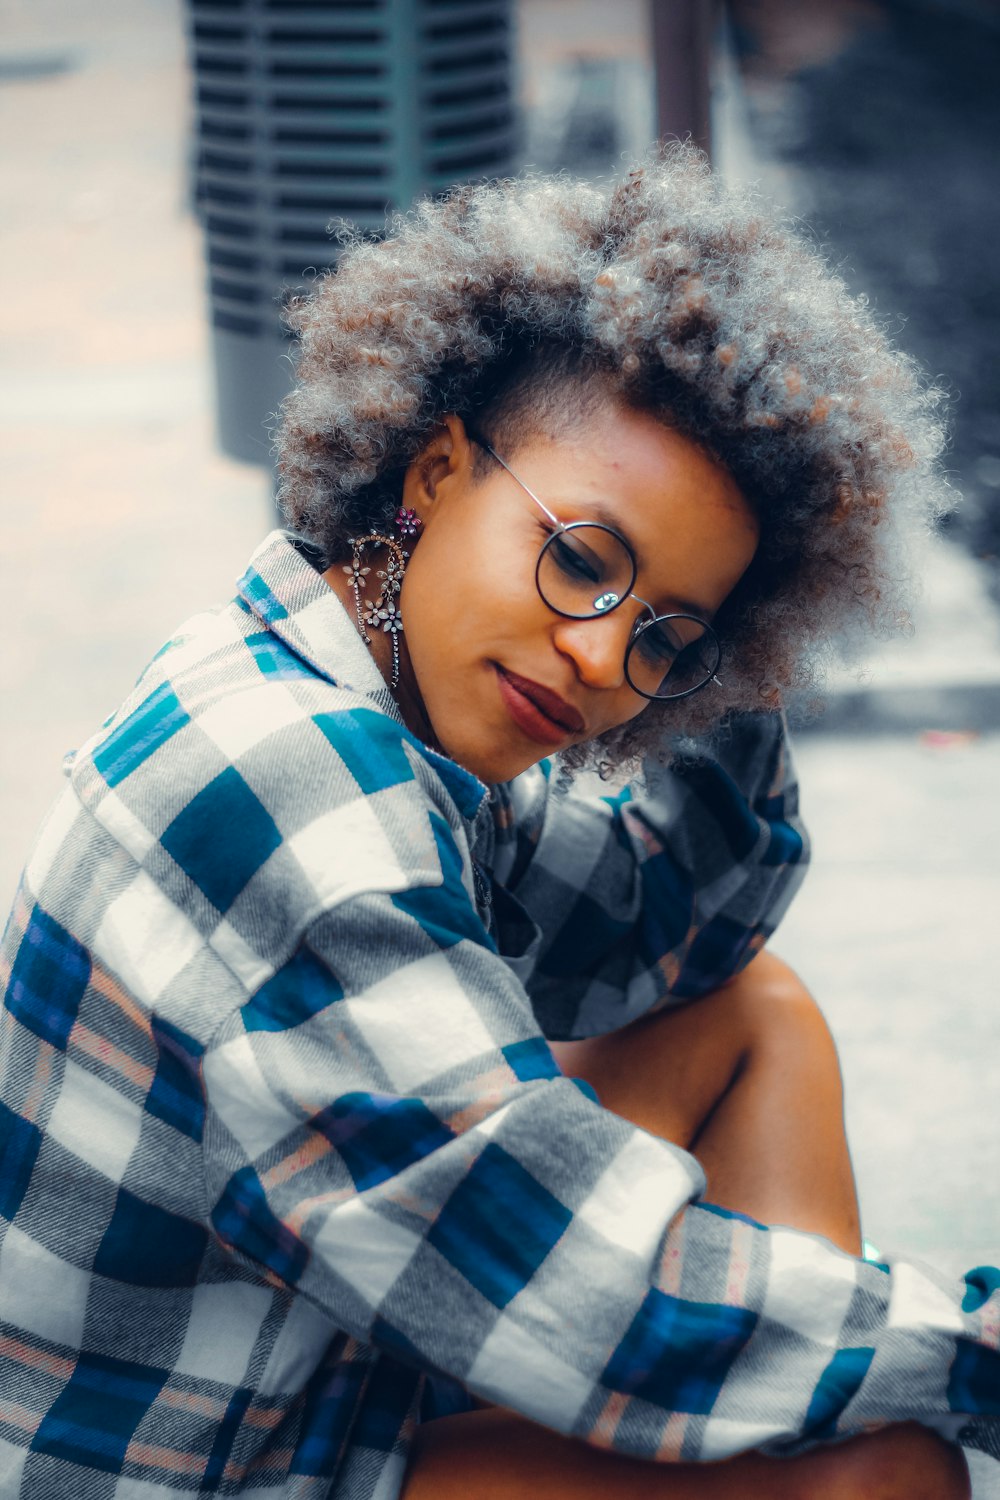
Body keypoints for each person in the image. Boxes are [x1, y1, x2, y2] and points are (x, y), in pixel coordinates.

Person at [0, 150, 994, 1499]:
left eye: (662, 635)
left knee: (751, 1015)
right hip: (189, 1468)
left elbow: (665, 935)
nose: (597, 659)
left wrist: (735, 666)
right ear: (432, 469)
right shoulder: (296, 793)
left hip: (304, 1370)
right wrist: (970, 1348)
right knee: (882, 1468)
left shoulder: (346, 676)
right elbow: (588, 1290)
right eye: (582, 559)